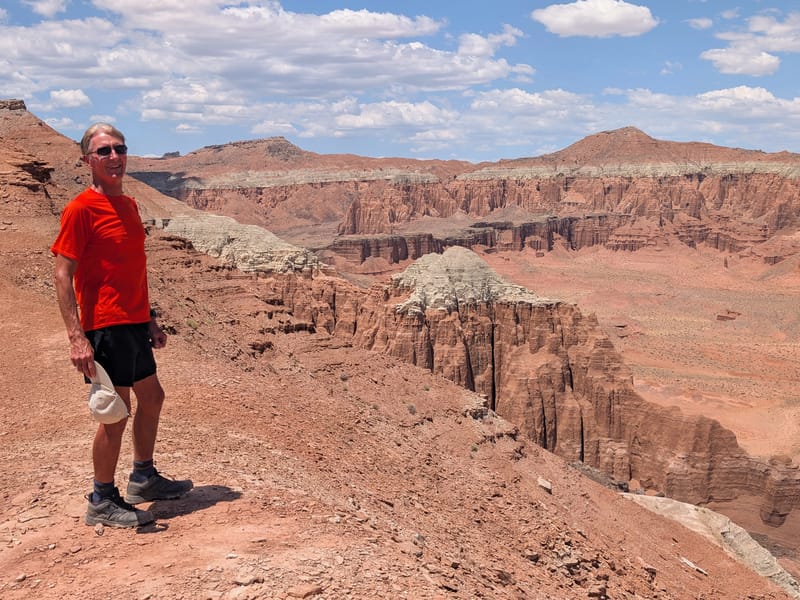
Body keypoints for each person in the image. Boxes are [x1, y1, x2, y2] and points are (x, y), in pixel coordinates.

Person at [52, 123, 192, 528]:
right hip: (105, 325)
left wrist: (149, 317)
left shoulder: (129, 206)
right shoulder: (81, 208)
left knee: (153, 397)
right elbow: (62, 275)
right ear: (87, 161)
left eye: (120, 149)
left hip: (132, 322)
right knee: (115, 414)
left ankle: (144, 478)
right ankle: (101, 497)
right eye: (104, 151)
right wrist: (77, 337)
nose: (114, 157)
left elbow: (134, 269)